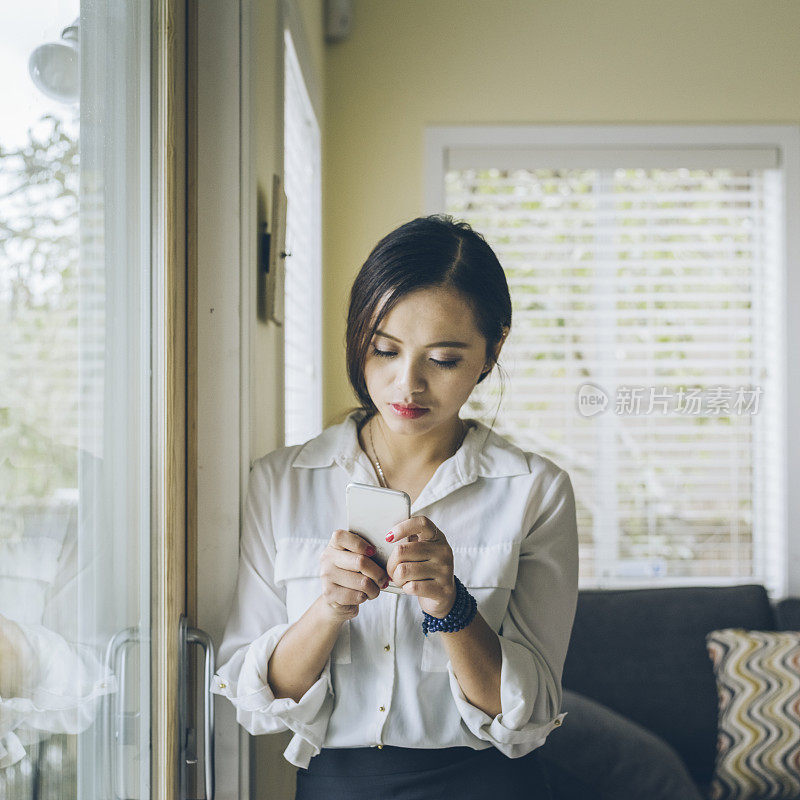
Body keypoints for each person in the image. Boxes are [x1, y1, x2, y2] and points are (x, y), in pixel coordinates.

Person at [213, 214, 579, 799]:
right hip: (334, 785)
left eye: (443, 359)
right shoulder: (281, 481)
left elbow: (530, 716)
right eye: (384, 350)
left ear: (493, 350)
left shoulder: (535, 491)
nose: (405, 386)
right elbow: (255, 701)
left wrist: (451, 605)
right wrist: (327, 608)